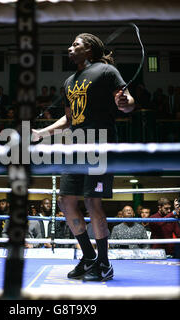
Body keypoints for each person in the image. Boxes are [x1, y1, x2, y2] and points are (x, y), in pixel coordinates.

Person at [31, 33, 135, 281]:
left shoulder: (107, 71)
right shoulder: (68, 82)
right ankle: (88, 256)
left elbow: (128, 101)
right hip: (74, 145)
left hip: (100, 142)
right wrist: (41, 133)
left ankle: (104, 263)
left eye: (75, 44)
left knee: (92, 202)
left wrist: (125, 103)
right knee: (66, 201)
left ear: (88, 49)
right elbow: (69, 118)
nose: (70, 48)